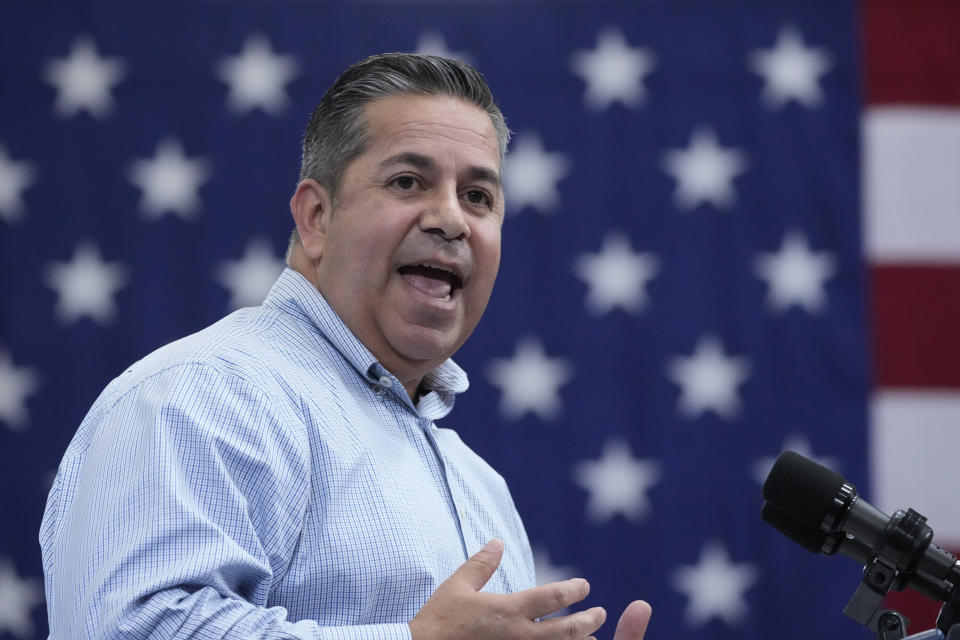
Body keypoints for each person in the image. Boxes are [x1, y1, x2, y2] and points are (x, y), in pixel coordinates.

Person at [39, 53, 652, 639]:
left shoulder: (479, 484)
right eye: (409, 181)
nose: (451, 219)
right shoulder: (204, 394)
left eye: (479, 197)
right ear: (316, 218)